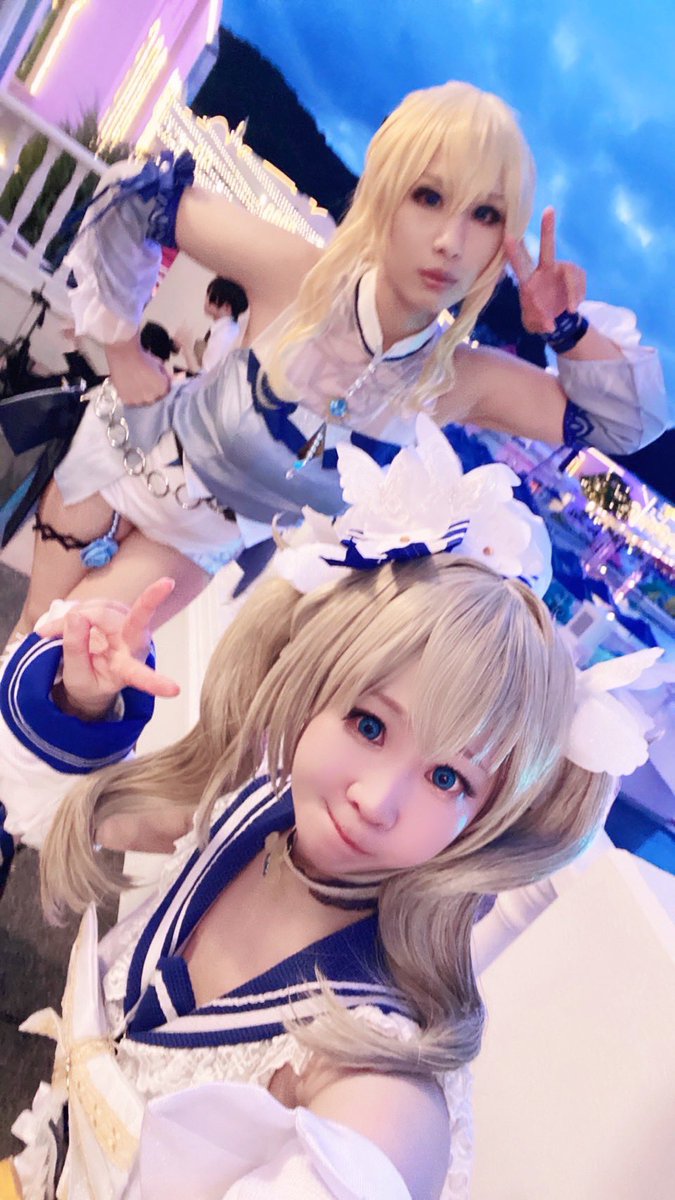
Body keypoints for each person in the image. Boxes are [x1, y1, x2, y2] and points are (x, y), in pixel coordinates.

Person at [0, 421, 655, 1199]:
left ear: (486, 821)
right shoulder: (256, 812)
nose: (376, 800)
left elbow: (378, 1146)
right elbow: (73, 816)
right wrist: (82, 696)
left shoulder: (373, 1075)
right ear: (315, 686)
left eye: (448, 778)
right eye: (368, 725)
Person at [8, 81, 666, 642]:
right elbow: (135, 192)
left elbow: (622, 426)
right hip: (114, 464)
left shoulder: (457, 380)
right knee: (33, 635)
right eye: (428, 196)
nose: (449, 241)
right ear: (385, 194)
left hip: (193, 543)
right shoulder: (296, 275)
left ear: (504, 237)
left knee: (59, 666)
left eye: (484, 214)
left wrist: (567, 330)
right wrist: (122, 352)